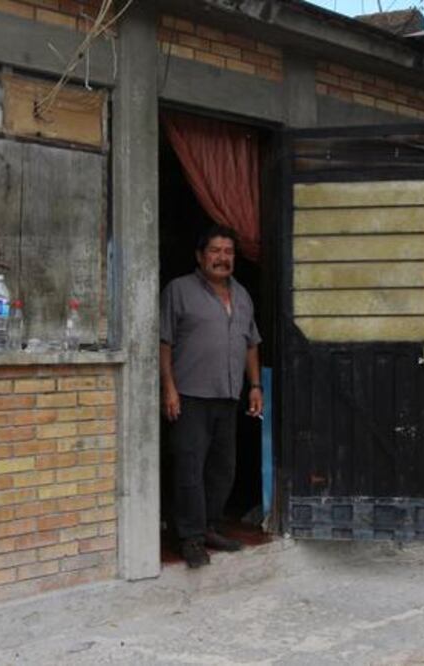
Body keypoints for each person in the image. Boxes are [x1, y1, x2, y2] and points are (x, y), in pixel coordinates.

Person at [160, 224, 263, 569]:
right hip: (190, 394)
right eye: (216, 251)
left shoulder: (243, 295)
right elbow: (165, 342)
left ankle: (209, 526)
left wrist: (255, 386)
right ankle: (189, 537)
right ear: (200, 256)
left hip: (228, 394)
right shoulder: (179, 290)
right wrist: (169, 388)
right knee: (189, 467)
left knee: (221, 469)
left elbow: (251, 344)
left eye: (229, 252)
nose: (223, 258)